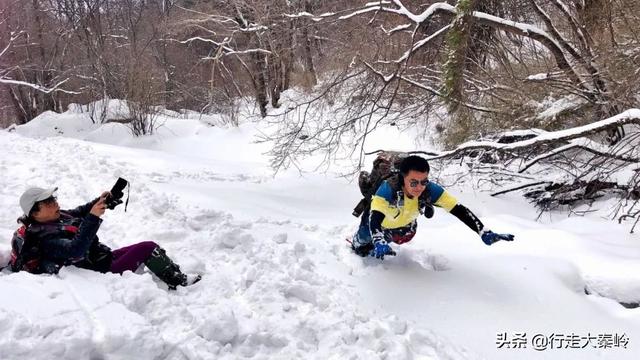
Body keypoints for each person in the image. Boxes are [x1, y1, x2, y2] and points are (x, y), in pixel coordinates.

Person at [8, 186, 201, 290]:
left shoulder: (56, 216)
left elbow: (80, 211)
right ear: (34, 212)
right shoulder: (42, 237)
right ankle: (178, 282)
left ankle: (170, 273)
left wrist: (100, 201)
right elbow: (75, 250)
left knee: (145, 247)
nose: (55, 203)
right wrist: (93, 217)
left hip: (100, 257)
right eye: (48, 202)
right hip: (101, 271)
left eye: (54, 199)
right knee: (148, 247)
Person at [351, 155, 515, 259]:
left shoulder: (430, 189)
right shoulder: (388, 188)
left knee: (400, 237)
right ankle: (360, 244)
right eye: (413, 182)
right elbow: (376, 216)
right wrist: (377, 238)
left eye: (424, 181)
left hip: (405, 228)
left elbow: (458, 209)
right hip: (376, 222)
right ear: (403, 178)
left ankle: (380, 243)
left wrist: (482, 230)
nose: (419, 187)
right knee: (363, 243)